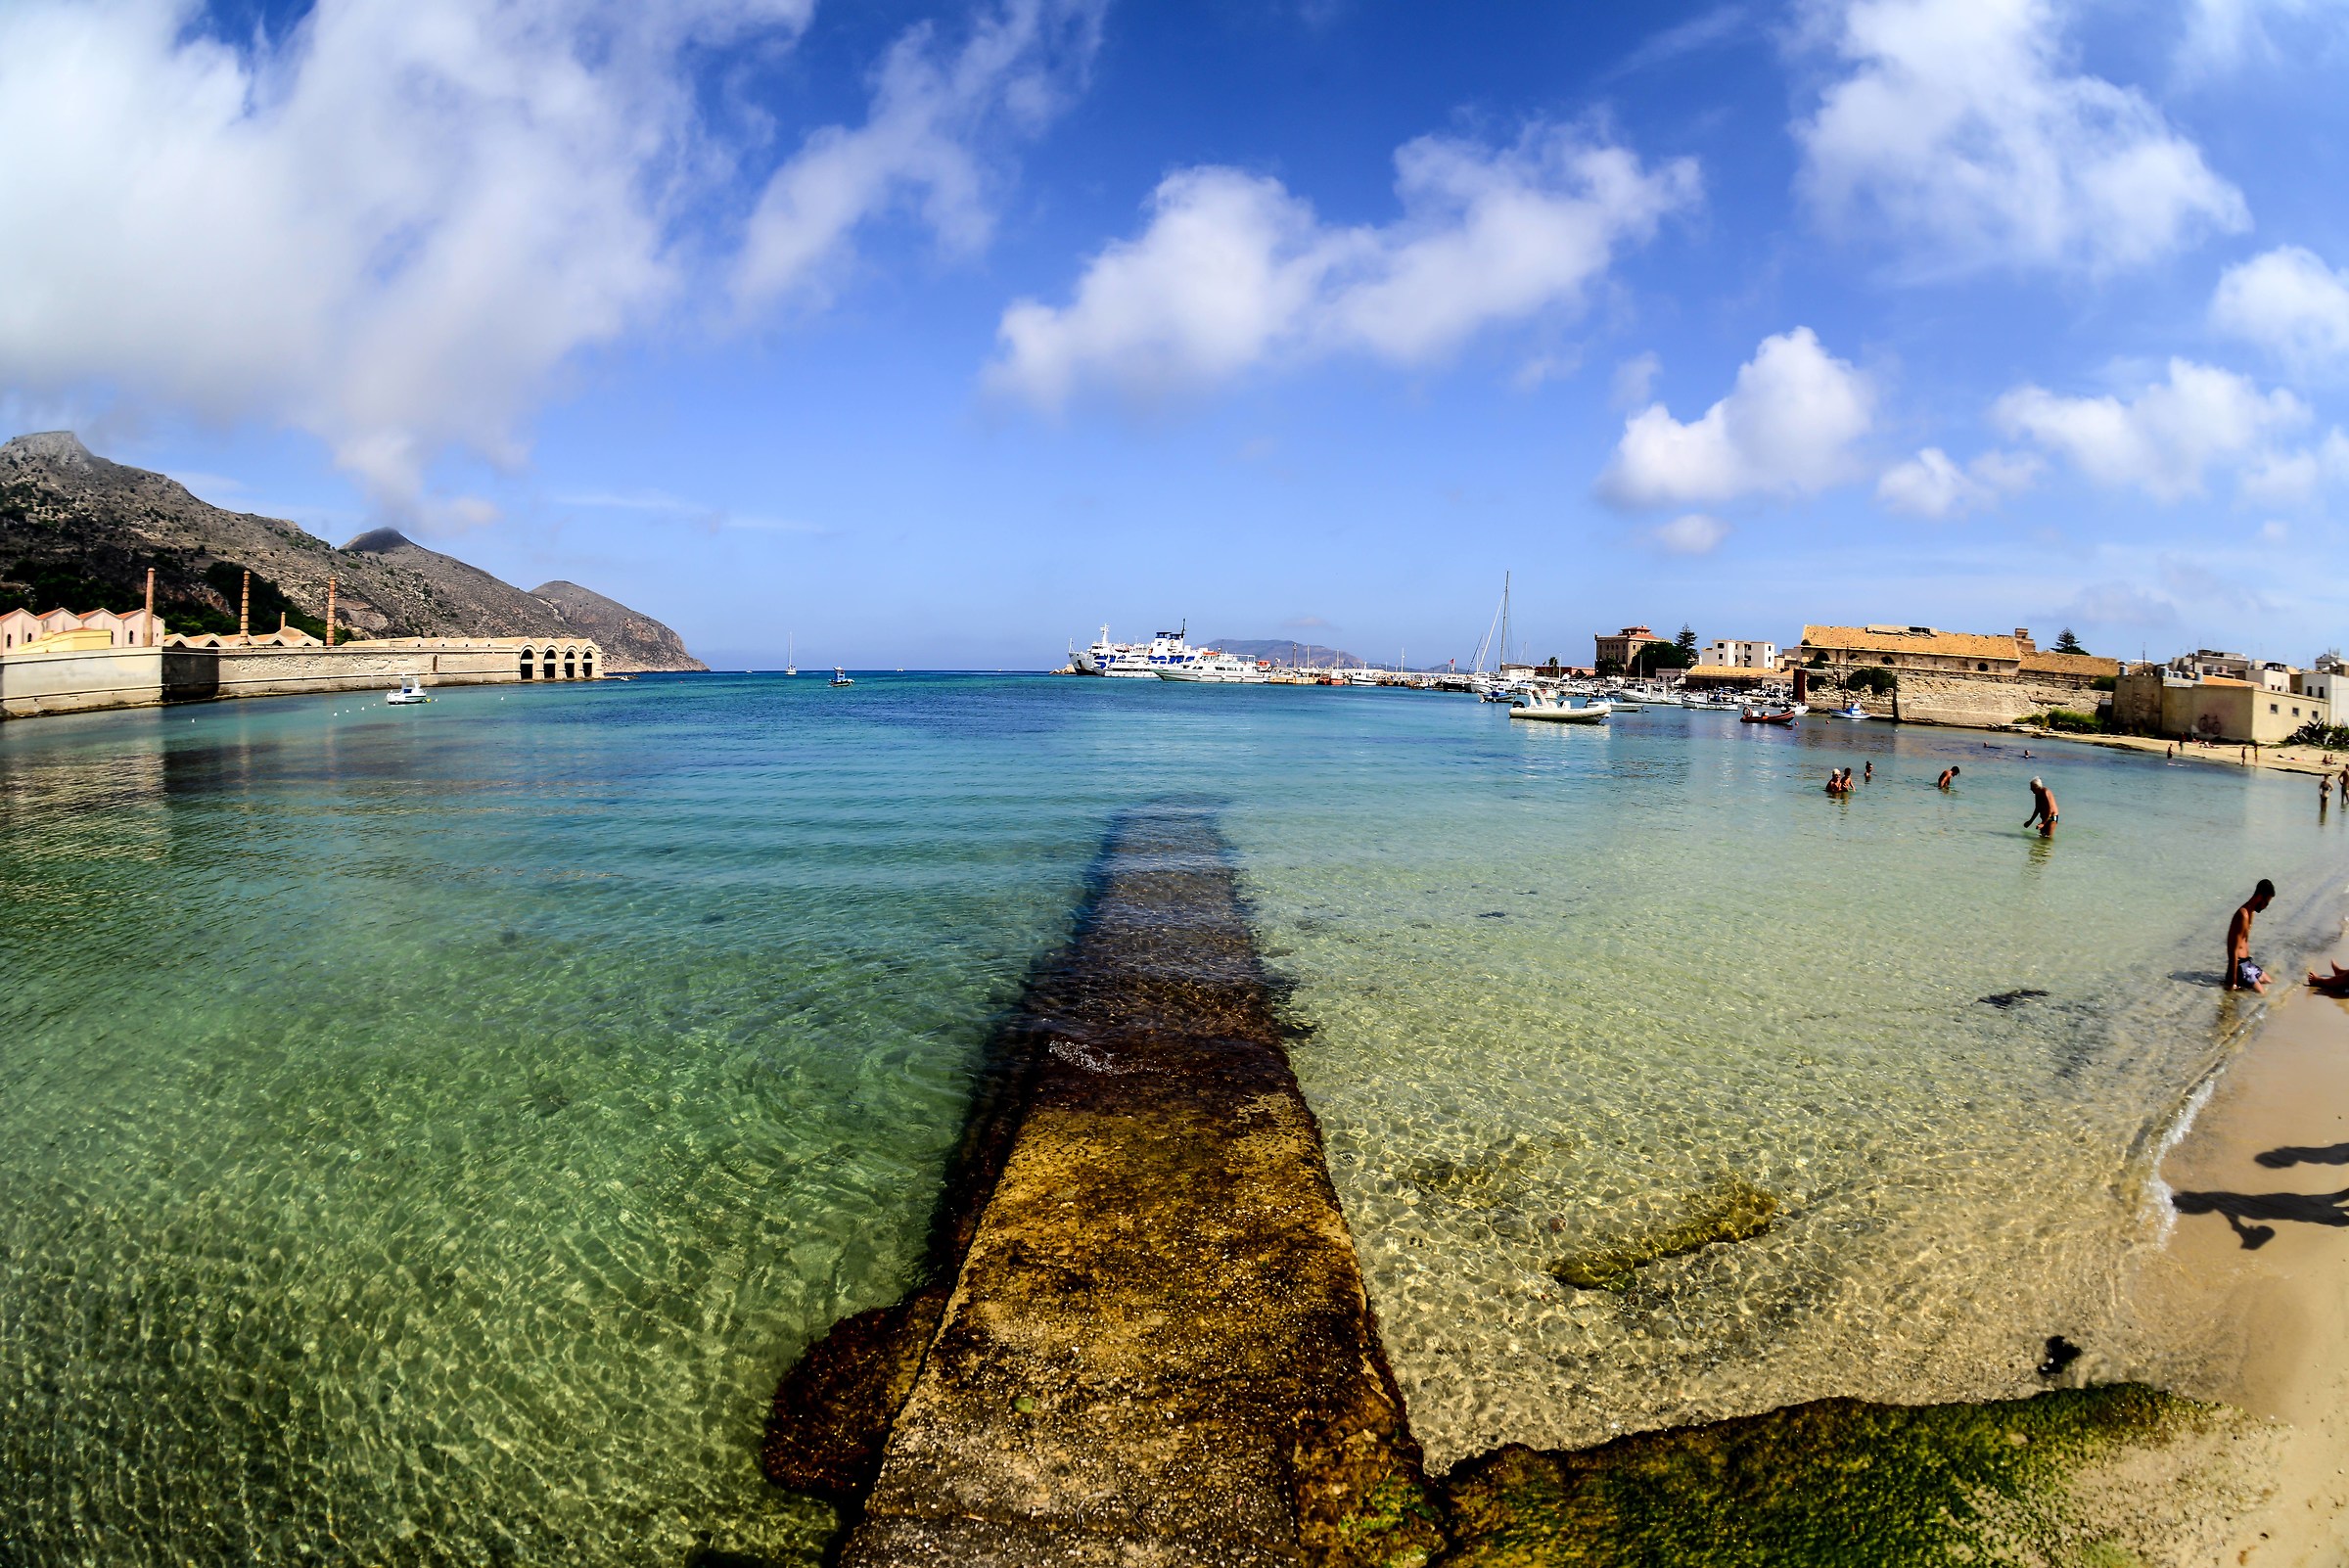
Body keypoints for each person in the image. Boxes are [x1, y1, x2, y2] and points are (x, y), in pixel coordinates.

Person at [2228, 880, 2275, 993]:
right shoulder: (2242, 915)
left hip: (2248, 964)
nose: (2265, 907)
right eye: (2266, 903)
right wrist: (2232, 983)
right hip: (2241, 968)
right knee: (2264, 994)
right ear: (2259, 897)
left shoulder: (2250, 913)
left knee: (2272, 983)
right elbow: (2234, 951)